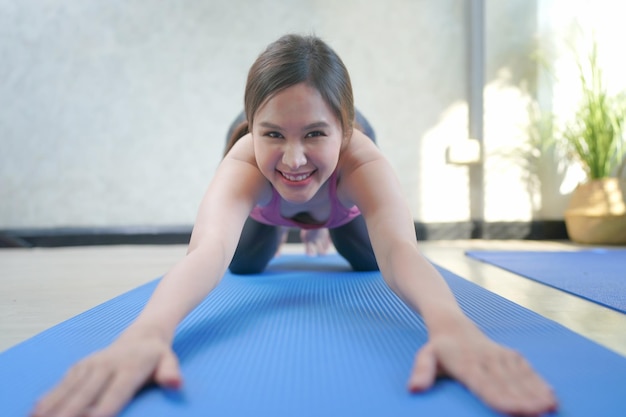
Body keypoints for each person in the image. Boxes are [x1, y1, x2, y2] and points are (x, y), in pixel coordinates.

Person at [32, 34, 558, 417]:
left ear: (345, 131)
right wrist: (145, 334)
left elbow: (400, 252)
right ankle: (298, 219)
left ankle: (317, 223)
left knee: (367, 264)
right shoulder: (242, 163)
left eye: (314, 133)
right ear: (251, 130)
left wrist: (453, 328)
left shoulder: (361, 160)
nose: (294, 157)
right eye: (273, 134)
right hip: (266, 212)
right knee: (247, 268)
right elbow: (208, 252)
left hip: (340, 208)